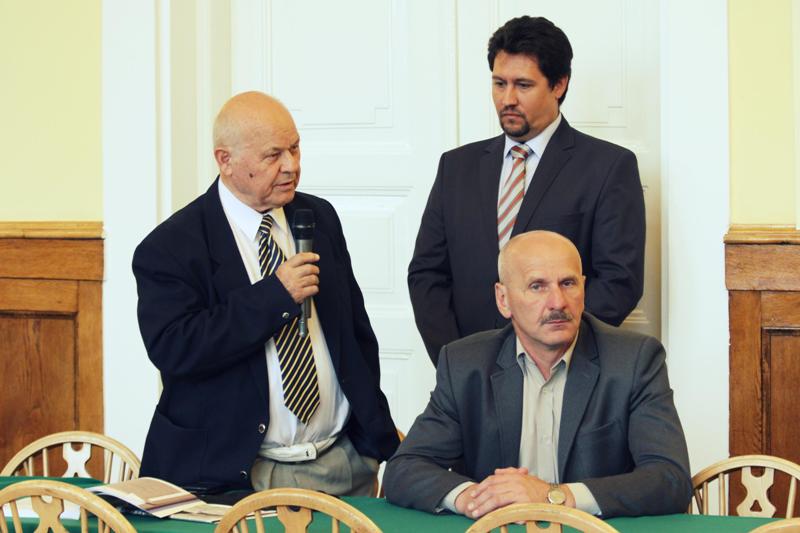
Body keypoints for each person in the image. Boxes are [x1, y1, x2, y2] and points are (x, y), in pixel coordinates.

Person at [132, 91, 399, 496]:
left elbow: (356, 333)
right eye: (273, 155)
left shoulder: (319, 217)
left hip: (344, 463)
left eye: (295, 148)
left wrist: (371, 433)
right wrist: (276, 296)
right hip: (237, 476)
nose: (291, 165)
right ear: (225, 161)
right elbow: (176, 348)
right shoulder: (170, 246)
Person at [385, 231, 690, 518]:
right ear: (503, 299)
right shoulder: (466, 364)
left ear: (584, 289)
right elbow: (405, 468)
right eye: (537, 286)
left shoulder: (633, 360)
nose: (558, 302)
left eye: (568, 283)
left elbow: (670, 479)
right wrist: (476, 498)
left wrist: (554, 496)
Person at [408, 16, 646, 364]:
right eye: (499, 83)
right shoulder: (455, 167)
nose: (507, 98)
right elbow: (427, 274)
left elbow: (619, 281)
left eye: (523, 85)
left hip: (563, 371)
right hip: (469, 373)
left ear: (559, 84)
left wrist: (548, 356)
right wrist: (457, 361)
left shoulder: (608, 167)